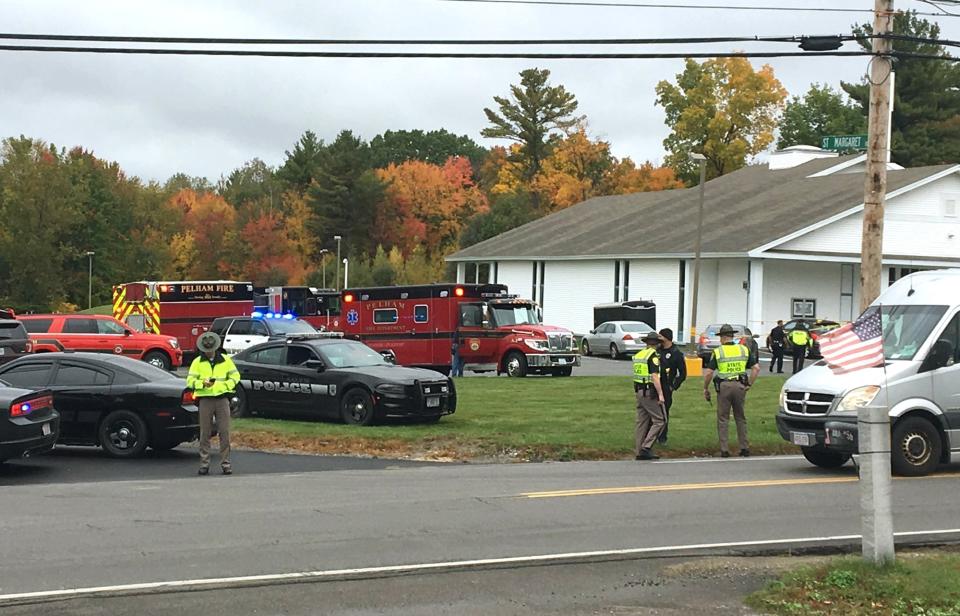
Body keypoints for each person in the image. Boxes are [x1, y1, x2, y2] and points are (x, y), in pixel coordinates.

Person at [187, 332, 240, 475]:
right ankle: (204, 464)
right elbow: (190, 381)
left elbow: (236, 376)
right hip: (205, 400)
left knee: (224, 432)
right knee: (205, 433)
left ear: (215, 347)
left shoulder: (225, 360)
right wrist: (202, 383)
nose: (208, 351)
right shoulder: (197, 362)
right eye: (206, 349)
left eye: (210, 348)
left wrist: (226, 386)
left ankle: (226, 464)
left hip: (222, 399)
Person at [702, 324, 760, 458]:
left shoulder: (718, 352)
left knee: (723, 418)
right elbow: (756, 368)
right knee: (740, 417)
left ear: (722, 338)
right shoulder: (743, 350)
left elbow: (709, 372)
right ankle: (744, 448)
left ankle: (724, 450)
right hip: (740, 385)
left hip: (724, 387)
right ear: (732, 336)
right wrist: (749, 384)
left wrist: (705, 388)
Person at [632, 331, 666, 460]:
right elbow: (654, 376)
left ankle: (639, 450)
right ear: (657, 344)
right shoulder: (653, 357)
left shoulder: (639, 355)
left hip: (639, 391)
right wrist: (661, 394)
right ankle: (646, 447)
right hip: (649, 392)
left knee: (642, 422)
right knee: (660, 420)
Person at [656, 328, 686, 444]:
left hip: (666, 387)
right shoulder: (657, 350)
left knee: (664, 413)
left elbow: (683, 373)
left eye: (660, 336)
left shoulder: (676, 353)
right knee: (653, 412)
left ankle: (662, 437)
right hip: (655, 385)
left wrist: (673, 386)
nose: (658, 338)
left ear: (666, 338)